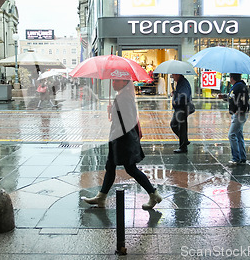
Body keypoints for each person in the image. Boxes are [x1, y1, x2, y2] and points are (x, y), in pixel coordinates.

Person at [82, 79, 162, 209]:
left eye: (117, 81)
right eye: (113, 81)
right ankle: (101, 197)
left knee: (130, 169)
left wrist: (114, 113)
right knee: (111, 166)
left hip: (122, 140)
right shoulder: (123, 96)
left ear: (124, 83)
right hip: (119, 139)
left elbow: (128, 120)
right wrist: (113, 111)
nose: (113, 83)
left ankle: (153, 194)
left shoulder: (124, 98)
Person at [227, 73, 250, 165]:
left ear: (232, 78)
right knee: (238, 135)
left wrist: (240, 110)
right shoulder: (237, 86)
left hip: (239, 115)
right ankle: (242, 157)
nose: (229, 80)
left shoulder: (240, 87)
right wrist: (225, 97)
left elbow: (243, 100)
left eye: (230, 77)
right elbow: (234, 98)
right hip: (238, 113)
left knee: (231, 135)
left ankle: (236, 158)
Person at [170, 73, 191, 153]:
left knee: (175, 125)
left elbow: (184, 95)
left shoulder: (183, 83)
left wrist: (176, 101)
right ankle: (184, 142)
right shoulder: (181, 82)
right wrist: (174, 93)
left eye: (173, 75)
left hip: (181, 108)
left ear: (178, 74)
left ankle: (184, 144)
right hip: (180, 108)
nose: (173, 76)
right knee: (180, 127)